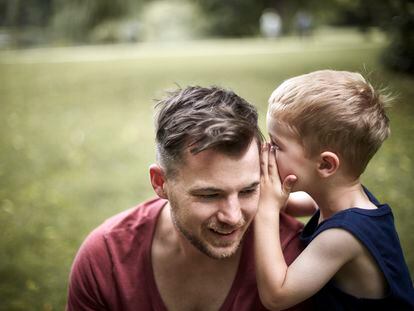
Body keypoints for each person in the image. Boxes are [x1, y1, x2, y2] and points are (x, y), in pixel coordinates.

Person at [66, 85, 311, 311]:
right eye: (210, 195)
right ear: (160, 183)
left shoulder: (296, 262)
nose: (233, 216)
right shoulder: (106, 260)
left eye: (248, 191)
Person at [254, 70, 414, 310]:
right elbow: (289, 203)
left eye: (276, 145)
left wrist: (266, 211)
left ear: (325, 164)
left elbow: (277, 296)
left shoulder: (343, 237)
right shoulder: (341, 199)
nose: (267, 150)